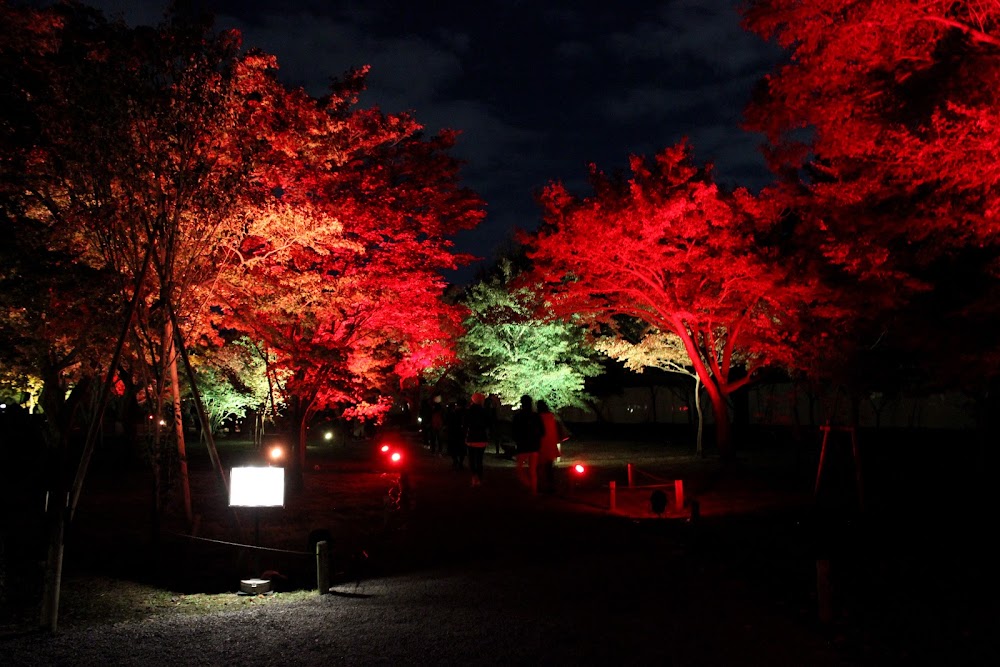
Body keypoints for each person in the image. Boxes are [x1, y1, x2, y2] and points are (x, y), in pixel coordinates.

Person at [511, 395, 544, 493]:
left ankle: (529, 485)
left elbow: (514, 431)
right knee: (532, 470)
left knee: (519, 469)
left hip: (523, 446)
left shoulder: (518, 416)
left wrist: (517, 439)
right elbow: (542, 431)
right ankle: (533, 489)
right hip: (534, 446)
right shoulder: (536, 416)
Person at [464, 392, 490, 486]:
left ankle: (474, 477)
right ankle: (479, 478)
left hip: (471, 437)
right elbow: (488, 424)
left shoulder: (469, 411)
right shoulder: (484, 411)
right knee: (479, 460)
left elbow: (465, 424)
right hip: (482, 438)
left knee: (471, 459)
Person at [536, 400, 560, 494]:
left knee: (538, 467)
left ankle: (538, 486)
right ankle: (551, 486)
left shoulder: (538, 417)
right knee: (549, 468)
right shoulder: (551, 416)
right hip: (551, 444)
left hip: (541, 445)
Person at [444, 399, 467, 471]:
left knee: (453, 447)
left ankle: (456, 461)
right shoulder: (465, 412)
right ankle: (460, 462)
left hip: (454, 432)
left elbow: (448, 421)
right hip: (461, 432)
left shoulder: (453, 413)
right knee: (461, 448)